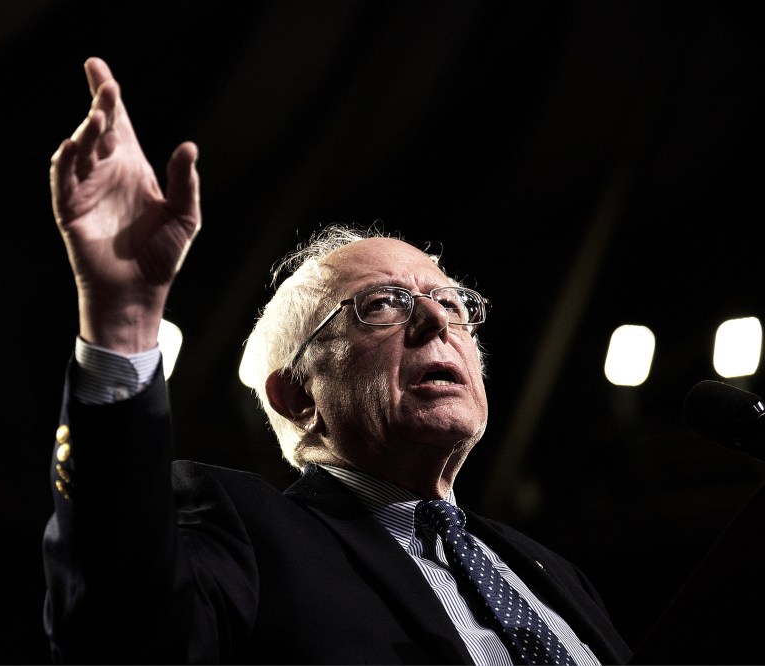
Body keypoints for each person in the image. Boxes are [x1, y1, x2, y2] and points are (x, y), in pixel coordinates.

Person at [41, 56, 632, 665]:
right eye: (384, 304)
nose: (436, 321)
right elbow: (121, 629)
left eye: (453, 304)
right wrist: (123, 316)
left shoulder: (551, 572)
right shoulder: (246, 529)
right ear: (299, 395)